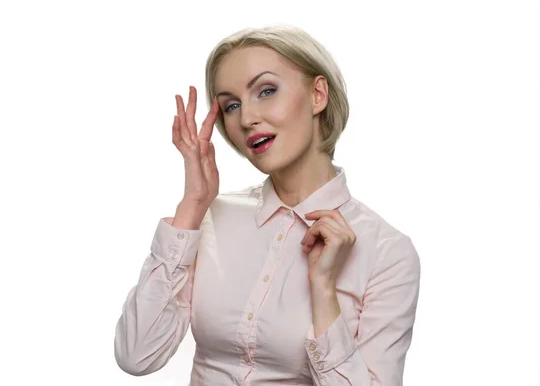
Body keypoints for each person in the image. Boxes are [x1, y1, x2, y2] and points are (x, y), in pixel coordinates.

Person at [114, 25, 421, 385]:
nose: (246, 119)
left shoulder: (388, 253)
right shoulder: (212, 218)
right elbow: (136, 355)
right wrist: (193, 205)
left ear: (318, 94)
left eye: (266, 91)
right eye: (232, 105)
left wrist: (323, 289)